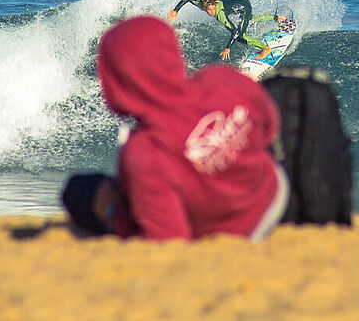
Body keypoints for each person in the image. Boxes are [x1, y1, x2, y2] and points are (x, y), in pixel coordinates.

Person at [61, 15, 288, 241]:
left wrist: (113, 212)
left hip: (233, 233)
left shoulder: (146, 152)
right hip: (274, 195)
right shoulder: (223, 79)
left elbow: (169, 240)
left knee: (81, 189)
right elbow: (270, 128)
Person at [167, 0, 285, 60]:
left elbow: (235, 32)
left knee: (241, 36)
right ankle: (276, 17)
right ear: (204, 7)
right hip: (240, 1)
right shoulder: (203, 4)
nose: (211, 12)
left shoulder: (220, 14)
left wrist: (228, 47)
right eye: (209, 10)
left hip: (244, 6)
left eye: (213, 9)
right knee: (249, 18)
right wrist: (175, 10)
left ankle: (266, 48)